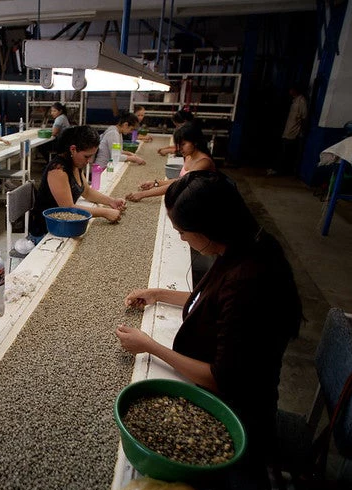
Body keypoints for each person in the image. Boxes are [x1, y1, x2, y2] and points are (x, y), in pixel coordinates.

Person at [115, 171, 302, 470]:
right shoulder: (245, 244)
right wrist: (159, 294)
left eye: (183, 231)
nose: (181, 237)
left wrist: (149, 345)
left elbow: (221, 379)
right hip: (227, 390)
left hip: (237, 414)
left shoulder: (250, 281)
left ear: (209, 227)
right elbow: (214, 300)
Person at [29, 126, 127, 237]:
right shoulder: (58, 170)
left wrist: (111, 201)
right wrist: (104, 212)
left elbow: (87, 192)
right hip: (47, 230)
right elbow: (68, 208)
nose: (89, 160)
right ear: (73, 149)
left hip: (64, 223)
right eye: (86, 156)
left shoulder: (75, 164)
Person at [126, 123, 215, 202]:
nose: (179, 148)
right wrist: (155, 183)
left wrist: (143, 194)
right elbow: (180, 180)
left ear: (195, 142)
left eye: (183, 144)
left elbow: (179, 185)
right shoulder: (189, 156)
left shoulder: (204, 162)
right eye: (178, 145)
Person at [268, 86, 308, 176]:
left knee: (286, 152)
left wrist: (301, 131)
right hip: (288, 129)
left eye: (291, 89)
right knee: (282, 150)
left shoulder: (301, 101)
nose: (290, 91)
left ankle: (282, 171)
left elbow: (304, 118)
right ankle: (278, 169)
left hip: (293, 131)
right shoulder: (295, 100)